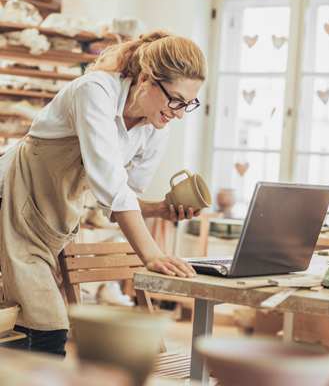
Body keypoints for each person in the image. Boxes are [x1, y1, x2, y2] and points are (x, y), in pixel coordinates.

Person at [0, 29, 206, 357]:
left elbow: (121, 199)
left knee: (31, 322)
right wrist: (152, 255)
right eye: (175, 99)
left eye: (188, 104)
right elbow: (113, 189)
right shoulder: (94, 91)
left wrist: (159, 209)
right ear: (146, 78)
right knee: (46, 326)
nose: (179, 112)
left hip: (49, 221)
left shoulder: (156, 127)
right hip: (12, 201)